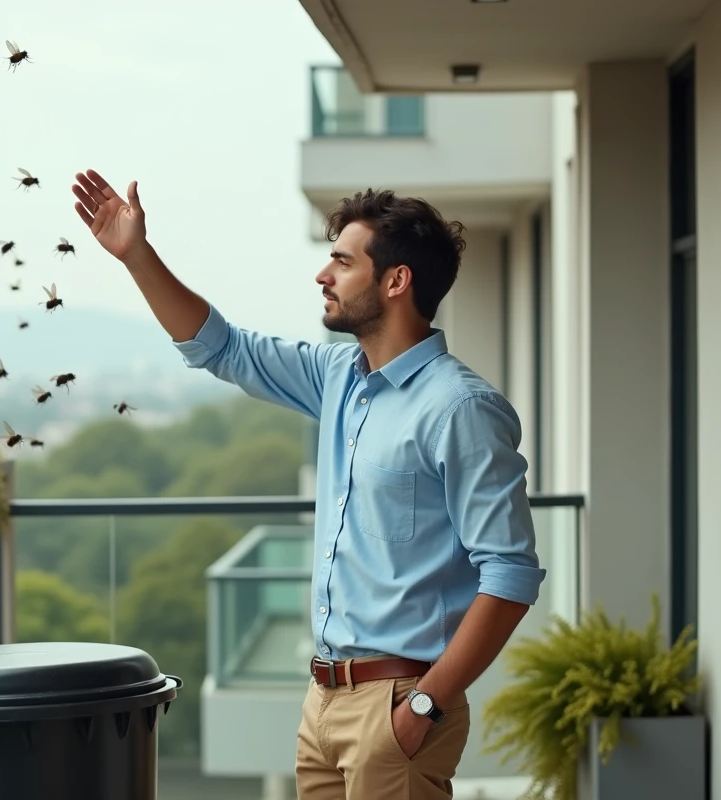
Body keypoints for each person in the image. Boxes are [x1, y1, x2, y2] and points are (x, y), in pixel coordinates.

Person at [70, 169, 546, 800]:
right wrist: (137, 256)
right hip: (323, 701)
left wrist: (423, 707)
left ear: (396, 281)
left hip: (398, 706)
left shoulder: (460, 409)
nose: (323, 276)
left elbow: (509, 575)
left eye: (342, 263)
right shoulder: (339, 378)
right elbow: (222, 348)